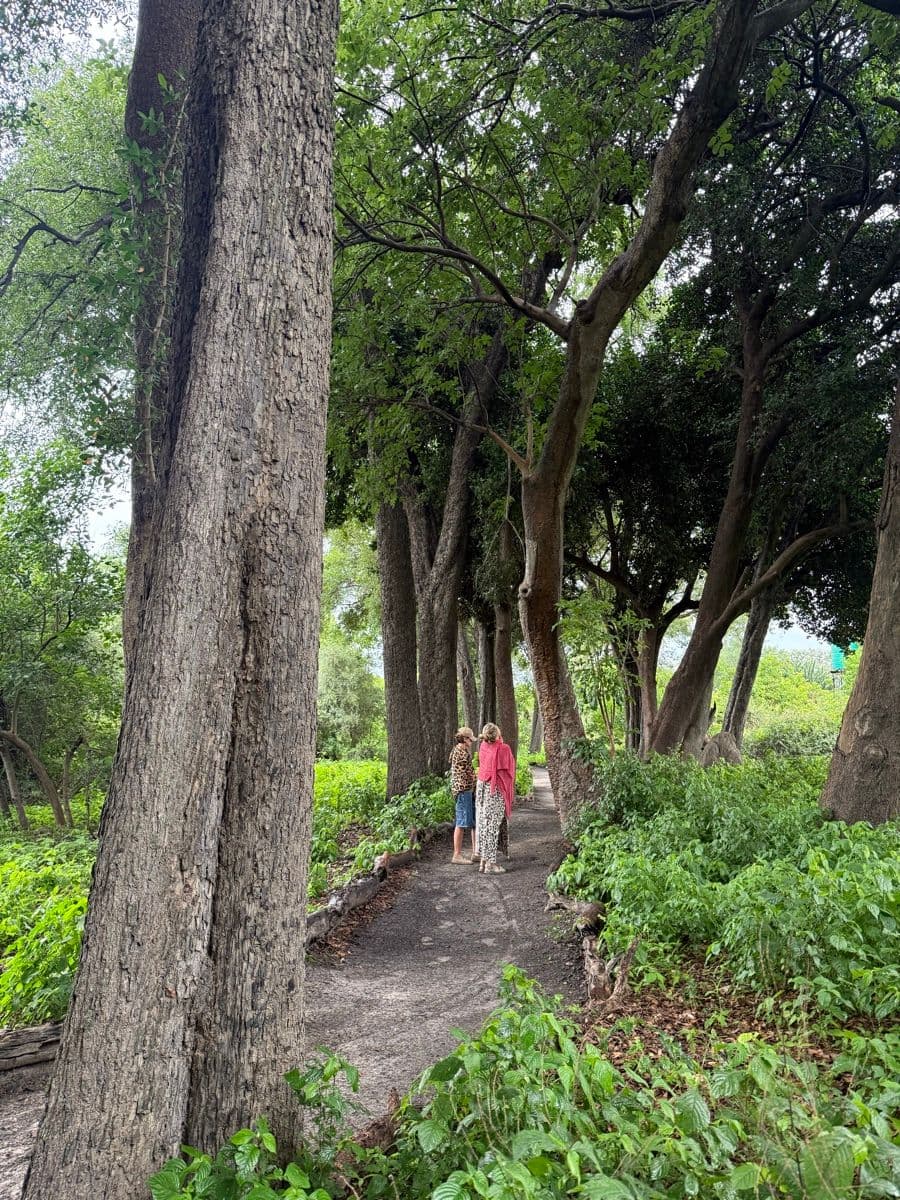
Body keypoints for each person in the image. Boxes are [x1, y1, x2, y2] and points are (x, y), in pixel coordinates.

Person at [475, 723, 515, 874]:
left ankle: (483, 862)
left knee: (484, 825)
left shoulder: (483, 746)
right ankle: (491, 864)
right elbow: (509, 767)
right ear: (498, 734)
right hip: (495, 789)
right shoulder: (503, 749)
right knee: (492, 827)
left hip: (482, 788)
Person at [449, 726, 477, 864]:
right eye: (470, 739)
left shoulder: (458, 749)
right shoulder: (462, 752)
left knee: (471, 821)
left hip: (464, 789)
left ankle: (475, 852)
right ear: (465, 739)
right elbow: (469, 773)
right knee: (461, 822)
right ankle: (457, 855)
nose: (472, 742)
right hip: (463, 790)